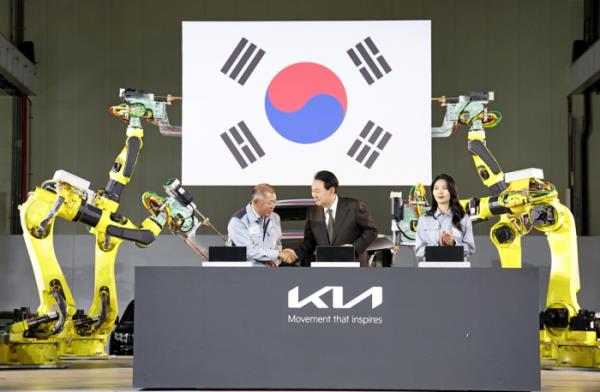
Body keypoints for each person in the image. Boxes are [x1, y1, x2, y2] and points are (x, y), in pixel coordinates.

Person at [295, 170, 378, 267]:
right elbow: (309, 242)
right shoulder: (313, 212)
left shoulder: (354, 206)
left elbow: (371, 231)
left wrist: (353, 249)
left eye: (317, 191)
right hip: (325, 269)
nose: (314, 195)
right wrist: (294, 254)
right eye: (312, 191)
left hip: (353, 267)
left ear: (331, 190)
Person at [227, 183, 296, 267]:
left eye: (275, 201)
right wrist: (277, 254)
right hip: (245, 273)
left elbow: (277, 245)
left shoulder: (275, 217)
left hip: (269, 271)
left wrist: (274, 260)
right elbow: (249, 251)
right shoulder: (238, 221)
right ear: (256, 202)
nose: (273, 206)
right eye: (270, 203)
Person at [414, 173, 475, 259]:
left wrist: (453, 244)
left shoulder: (463, 218)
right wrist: (438, 246)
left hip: (456, 268)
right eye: (436, 188)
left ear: (452, 191)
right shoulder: (423, 219)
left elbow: (471, 249)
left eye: (444, 188)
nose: (440, 192)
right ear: (433, 192)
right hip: (430, 269)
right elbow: (418, 250)